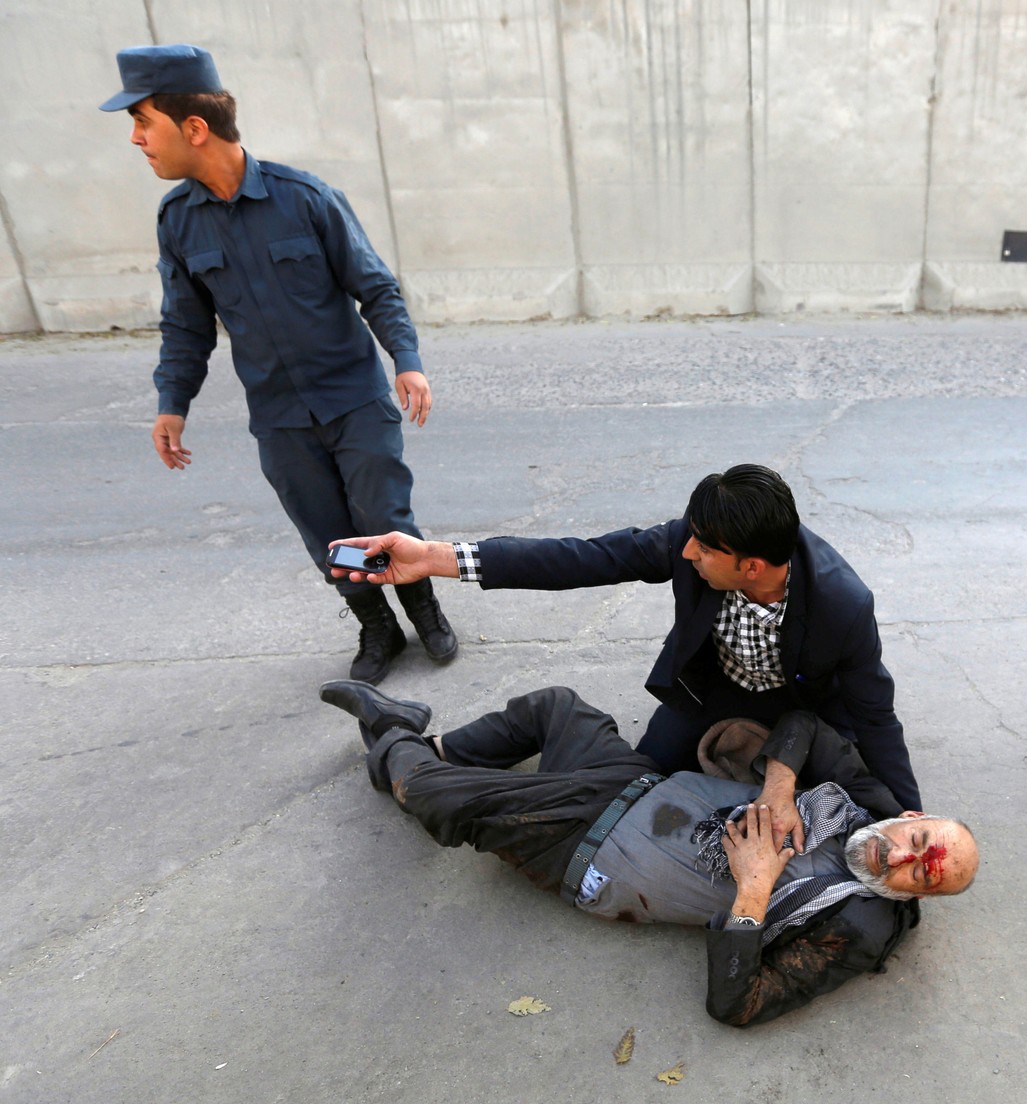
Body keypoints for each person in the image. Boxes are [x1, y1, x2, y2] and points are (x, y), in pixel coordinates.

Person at [318, 679, 979, 1026]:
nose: (899, 859)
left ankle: (391, 737)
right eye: (917, 842)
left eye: (923, 876)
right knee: (555, 709)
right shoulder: (869, 801)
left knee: (438, 796)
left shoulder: (858, 926)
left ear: (920, 896)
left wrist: (753, 888)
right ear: (912, 818)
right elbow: (805, 724)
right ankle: (440, 747)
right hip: (631, 779)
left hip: (585, 845)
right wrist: (780, 788)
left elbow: (738, 1005)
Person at [101, 44, 456, 684]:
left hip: (353, 398)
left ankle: (423, 609)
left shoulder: (306, 199)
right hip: (279, 415)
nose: (136, 140)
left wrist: (407, 360)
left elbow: (374, 286)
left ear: (194, 128)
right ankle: (377, 630)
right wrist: (171, 404)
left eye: (142, 122)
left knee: (382, 518)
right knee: (325, 531)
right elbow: (185, 324)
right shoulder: (178, 221)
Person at [327, 463, 924, 814]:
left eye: (703, 550)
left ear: (752, 567)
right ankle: (432, 748)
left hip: (802, 718)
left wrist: (907, 808)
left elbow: (875, 714)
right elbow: (579, 559)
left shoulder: (843, 605)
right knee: (631, 794)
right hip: (710, 698)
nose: (685, 553)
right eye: (688, 537)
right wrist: (432, 558)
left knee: (846, 816)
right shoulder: (693, 541)